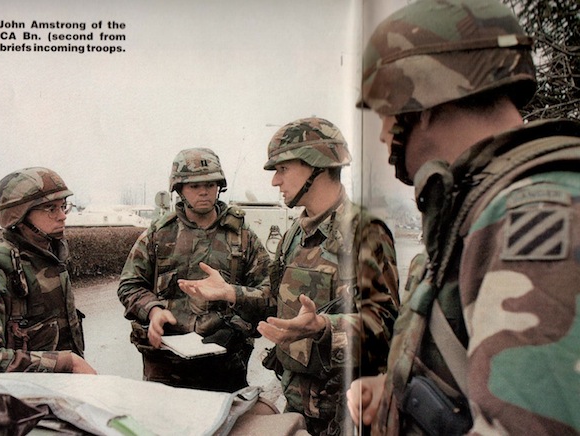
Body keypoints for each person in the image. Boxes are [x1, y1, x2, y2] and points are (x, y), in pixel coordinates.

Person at [350, 0, 580, 434]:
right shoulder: (478, 209)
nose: (382, 133)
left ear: (423, 98)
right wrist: (396, 392)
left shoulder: (534, 217)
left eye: (384, 111)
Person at [256, 117, 399, 435]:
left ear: (316, 165)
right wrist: (230, 293)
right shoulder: (296, 230)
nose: (275, 182)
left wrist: (324, 327)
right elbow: (274, 299)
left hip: (341, 417)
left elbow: (387, 328)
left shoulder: (365, 232)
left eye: (282, 169)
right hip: (296, 407)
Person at [117, 147, 272, 393]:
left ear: (219, 187)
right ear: (179, 190)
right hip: (166, 364)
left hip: (225, 362)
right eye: (194, 185)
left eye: (210, 184)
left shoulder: (242, 237)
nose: (204, 191)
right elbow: (129, 285)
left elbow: (268, 294)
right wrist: (154, 310)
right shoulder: (159, 235)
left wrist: (235, 322)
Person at [0, 167, 96, 374]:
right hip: (14, 402)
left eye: (63, 206)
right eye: (50, 208)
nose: (62, 216)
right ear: (18, 215)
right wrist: (65, 363)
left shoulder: (49, 258)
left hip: (54, 397)